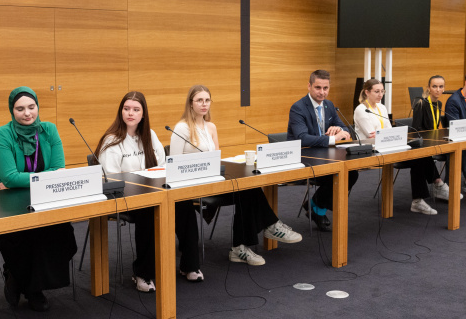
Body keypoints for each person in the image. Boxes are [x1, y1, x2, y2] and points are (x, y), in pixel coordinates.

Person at [170, 85, 302, 266]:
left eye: (207, 100)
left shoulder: (211, 127)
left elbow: (216, 158)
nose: (204, 104)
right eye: (199, 100)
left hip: (212, 181)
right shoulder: (182, 128)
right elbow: (174, 165)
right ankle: (267, 228)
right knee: (247, 191)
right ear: (190, 103)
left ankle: (241, 248)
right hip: (191, 188)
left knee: (247, 188)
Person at [0, 87, 77, 312]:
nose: (27, 113)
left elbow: (59, 168)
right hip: (5, 198)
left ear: (38, 107)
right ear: (11, 110)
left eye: (31, 107)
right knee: (22, 234)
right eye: (20, 108)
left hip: (44, 198)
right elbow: (9, 177)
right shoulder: (3, 134)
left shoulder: (49, 130)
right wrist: (49, 176)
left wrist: (34, 178)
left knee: (61, 231)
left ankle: (17, 278)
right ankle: (32, 290)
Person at [96, 91, 202, 289]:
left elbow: (163, 166)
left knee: (184, 204)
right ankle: (143, 274)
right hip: (125, 198)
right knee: (149, 210)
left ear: (143, 114)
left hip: (153, 192)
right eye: (126, 109)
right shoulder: (112, 140)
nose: (130, 113)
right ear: (120, 111)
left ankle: (190, 265)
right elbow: (110, 178)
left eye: (136, 110)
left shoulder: (150, 135)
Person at [353, 79, 443, 215]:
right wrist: (385, 135)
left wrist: (385, 135)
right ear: (367, 92)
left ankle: (423, 197)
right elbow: (370, 136)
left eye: (382, 91)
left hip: (389, 146)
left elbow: (388, 131)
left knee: (420, 154)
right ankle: (434, 187)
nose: (380, 95)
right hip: (372, 151)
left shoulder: (381, 107)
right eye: (376, 91)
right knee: (418, 158)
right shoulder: (361, 110)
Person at [287, 70, 359, 231]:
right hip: (303, 157)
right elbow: (302, 138)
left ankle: (315, 205)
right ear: (309, 86)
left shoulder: (329, 105)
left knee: (351, 173)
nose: (322, 92)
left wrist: (341, 130)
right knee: (335, 174)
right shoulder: (298, 108)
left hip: (324, 155)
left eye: (325, 88)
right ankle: (317, 208)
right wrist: (333, 138)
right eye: (318, 87)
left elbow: (344, 128)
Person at [411, 75, 460, 202]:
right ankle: (439, 184)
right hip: (420, 143)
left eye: (441, 87)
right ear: (429, 88)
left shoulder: (438, 103)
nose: (438, 89)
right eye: (434, 86)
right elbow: (415, 130)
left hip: (433, 141)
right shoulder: (420, 103)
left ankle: (439, 185)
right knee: (422, 156)